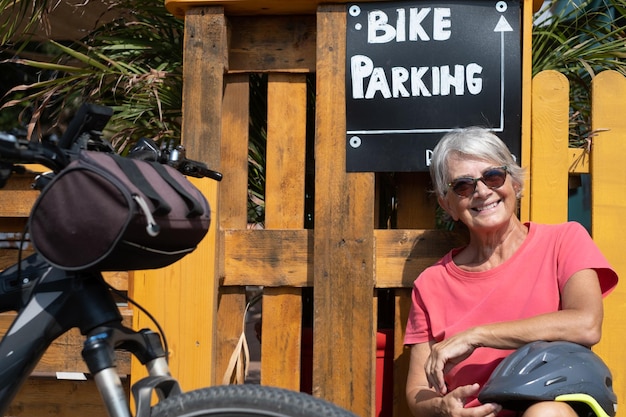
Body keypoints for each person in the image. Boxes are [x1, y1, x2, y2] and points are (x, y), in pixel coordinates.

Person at [404, 127, 619, 417]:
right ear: (448, 205)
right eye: (463, 186)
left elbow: (586, 324)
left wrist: (475, 336)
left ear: (515, 183)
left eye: (493, 176)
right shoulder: (432, 283)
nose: (481, 191)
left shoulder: (563, 241)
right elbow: (417, 391)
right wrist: (442, 408)